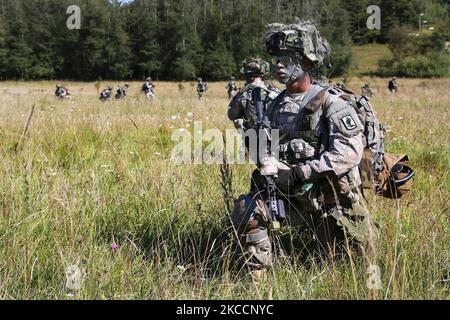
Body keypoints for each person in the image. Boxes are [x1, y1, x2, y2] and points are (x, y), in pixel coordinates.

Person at [230, 20, 378, 279]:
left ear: (306, 62)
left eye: (286, 58)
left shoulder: (332, 102)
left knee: (352, 262)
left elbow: (349, 152)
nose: (278, 65)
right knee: (246, 207)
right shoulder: (275, 104)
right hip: (291, 194)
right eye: (276, 58)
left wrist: (300, 172)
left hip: (331, 196)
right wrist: (265, 157)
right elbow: (268, 145)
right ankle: (257, 283)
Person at [228, 58, 280, 132]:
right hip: (275, 135)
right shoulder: (275, 91)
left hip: (252, 136)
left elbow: (232, 114)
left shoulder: (243, 93)